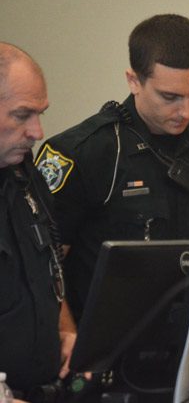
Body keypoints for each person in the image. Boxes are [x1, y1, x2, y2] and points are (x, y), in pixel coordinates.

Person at [35, 14, 189, 398]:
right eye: (169, 96)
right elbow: (43, 270)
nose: (185, 111)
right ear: (133, 80)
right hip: (102, 375)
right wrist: (69, 339)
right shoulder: (83, 153)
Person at [0, 42, 77, 400]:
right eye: (22, 115)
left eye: (40, 113)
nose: (38, 131)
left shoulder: (23, 171)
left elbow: (46, 269)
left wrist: (64, 331)